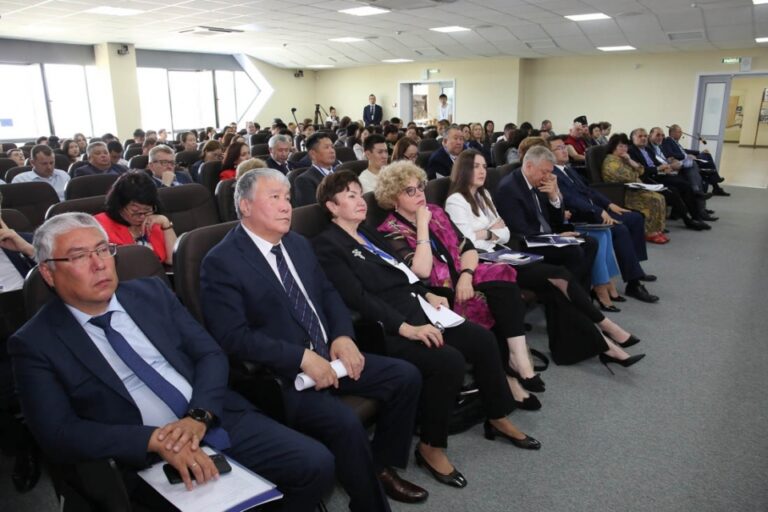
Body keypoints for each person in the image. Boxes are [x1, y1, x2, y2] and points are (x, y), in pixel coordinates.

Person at [9, 213, 334, 511]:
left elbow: (209, 354)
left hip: (210, 415)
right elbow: (58, 432)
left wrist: (199, 415)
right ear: (48, 272)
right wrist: (153, 440)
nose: (99, 264)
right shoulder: (34, 343)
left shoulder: (152, 293)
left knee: (316, 464)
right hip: (141, 455)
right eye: (80, 256)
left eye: (104, 250)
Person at [200, 169, 427, 510]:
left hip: (330, 355)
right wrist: (301, 358)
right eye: (274, 198)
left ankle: (378, 466)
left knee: (405, 377)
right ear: (245, 206)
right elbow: (233, 337)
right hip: (286, 376)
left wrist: (343, 335)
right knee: (345, 423)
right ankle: (369, 503)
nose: (286, 206)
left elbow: (329, 294)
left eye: (287, 198)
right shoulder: (222, 262)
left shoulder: (297, 244)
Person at [314, 171, 540, 488]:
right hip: (384, 326)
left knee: (481, 339)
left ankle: (497, 415)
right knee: (447, 360)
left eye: (358, 193)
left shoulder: (366, 233)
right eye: (350, 195)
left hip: (416, 306)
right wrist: (406, 328)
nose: (359, 200)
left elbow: (401, 273)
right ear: (332, 206)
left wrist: (427, 293)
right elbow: (358, 299)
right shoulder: (327, 245)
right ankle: (431, 446)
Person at [443, 151, 646, 370]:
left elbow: (506, 232)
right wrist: (491, 232)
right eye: (476, 166)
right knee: (560, 277)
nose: (482, 171)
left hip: (504, 254)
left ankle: (595, 345)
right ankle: (606, 330)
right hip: (487, 263)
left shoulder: (484, 195)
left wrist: (487, 233)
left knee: (558, 288)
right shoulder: (456, 201)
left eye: (484, 166)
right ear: (463, 169)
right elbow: (468, 242)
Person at [548, 136, 659, 304]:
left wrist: (609, 204)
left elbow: (589, 190)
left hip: (595, 210)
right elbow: (571, 200)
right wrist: (599, 210)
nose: (565, 150)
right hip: (582, 215)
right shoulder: (553, 174)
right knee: (620, 229)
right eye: (559, 148)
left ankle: (635, 267)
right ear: (548, 153)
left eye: (565, 147)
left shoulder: (568, 169)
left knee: (636, 218)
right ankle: (634, 282)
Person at [493, 146, 598, 293]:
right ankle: (569, 296)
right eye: (544, 172)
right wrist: (555, 238)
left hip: (546, 237)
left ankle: (580, 294)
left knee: (591, 243)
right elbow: (522, 230)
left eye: (550, 172)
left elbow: (557, 222)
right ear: (529, 166)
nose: (548, 177)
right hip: (527, 243)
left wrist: (553, 197)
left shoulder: (540, 182)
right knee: (574, 251)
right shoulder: (509, 188)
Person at [628, 128, 710, 231]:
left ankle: (696, 216)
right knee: (673, 191)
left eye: (645, 136)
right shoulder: (631, 151)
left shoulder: (648, 150)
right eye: (640, 136)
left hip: (658, 175)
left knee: (685, 185)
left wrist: (665, 167)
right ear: (632, 138)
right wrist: (658, 169)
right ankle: (688, 220)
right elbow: (640, 170)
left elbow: (656, 163)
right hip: (647, 179)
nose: (643, 138)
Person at [94, 172, 178, 265]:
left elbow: (173, 260)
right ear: (119, 206)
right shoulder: (99, 226)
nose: (142, 216)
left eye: (147, 210)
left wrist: (166, 224)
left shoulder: (154, 221)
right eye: (135, 211)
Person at [601, 133, 669, 244]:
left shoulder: (623, 159)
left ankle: (657, 230)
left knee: (660, 197)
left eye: (626, 146)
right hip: (622, 192)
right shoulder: (611, 162)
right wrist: (635, 172)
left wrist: (630, 161)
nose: (624, 149)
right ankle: (649, 232)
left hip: (633, 189)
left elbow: (641, 170)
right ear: (613, 147)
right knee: (654, 200)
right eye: (621, 146)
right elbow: (630, 176)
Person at [661, 124, 728, 196]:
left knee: (706, 155)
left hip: (687, 158)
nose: (681, 134)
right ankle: (716, 182)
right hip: (683, 161)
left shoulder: (675, 142)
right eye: (679, 132)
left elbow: (684, 150)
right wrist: (686, 156)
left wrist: (699, 152)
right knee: (707, 156)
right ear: (672, 133)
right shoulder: (668, 140)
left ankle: (716, 185)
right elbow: (670, 154)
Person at [294, 132, 340, 207]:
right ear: (313, 154)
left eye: (332, 147)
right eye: (326, 147)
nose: (332, 151)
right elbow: (314, 211)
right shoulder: (304, 181)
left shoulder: (341, 174)